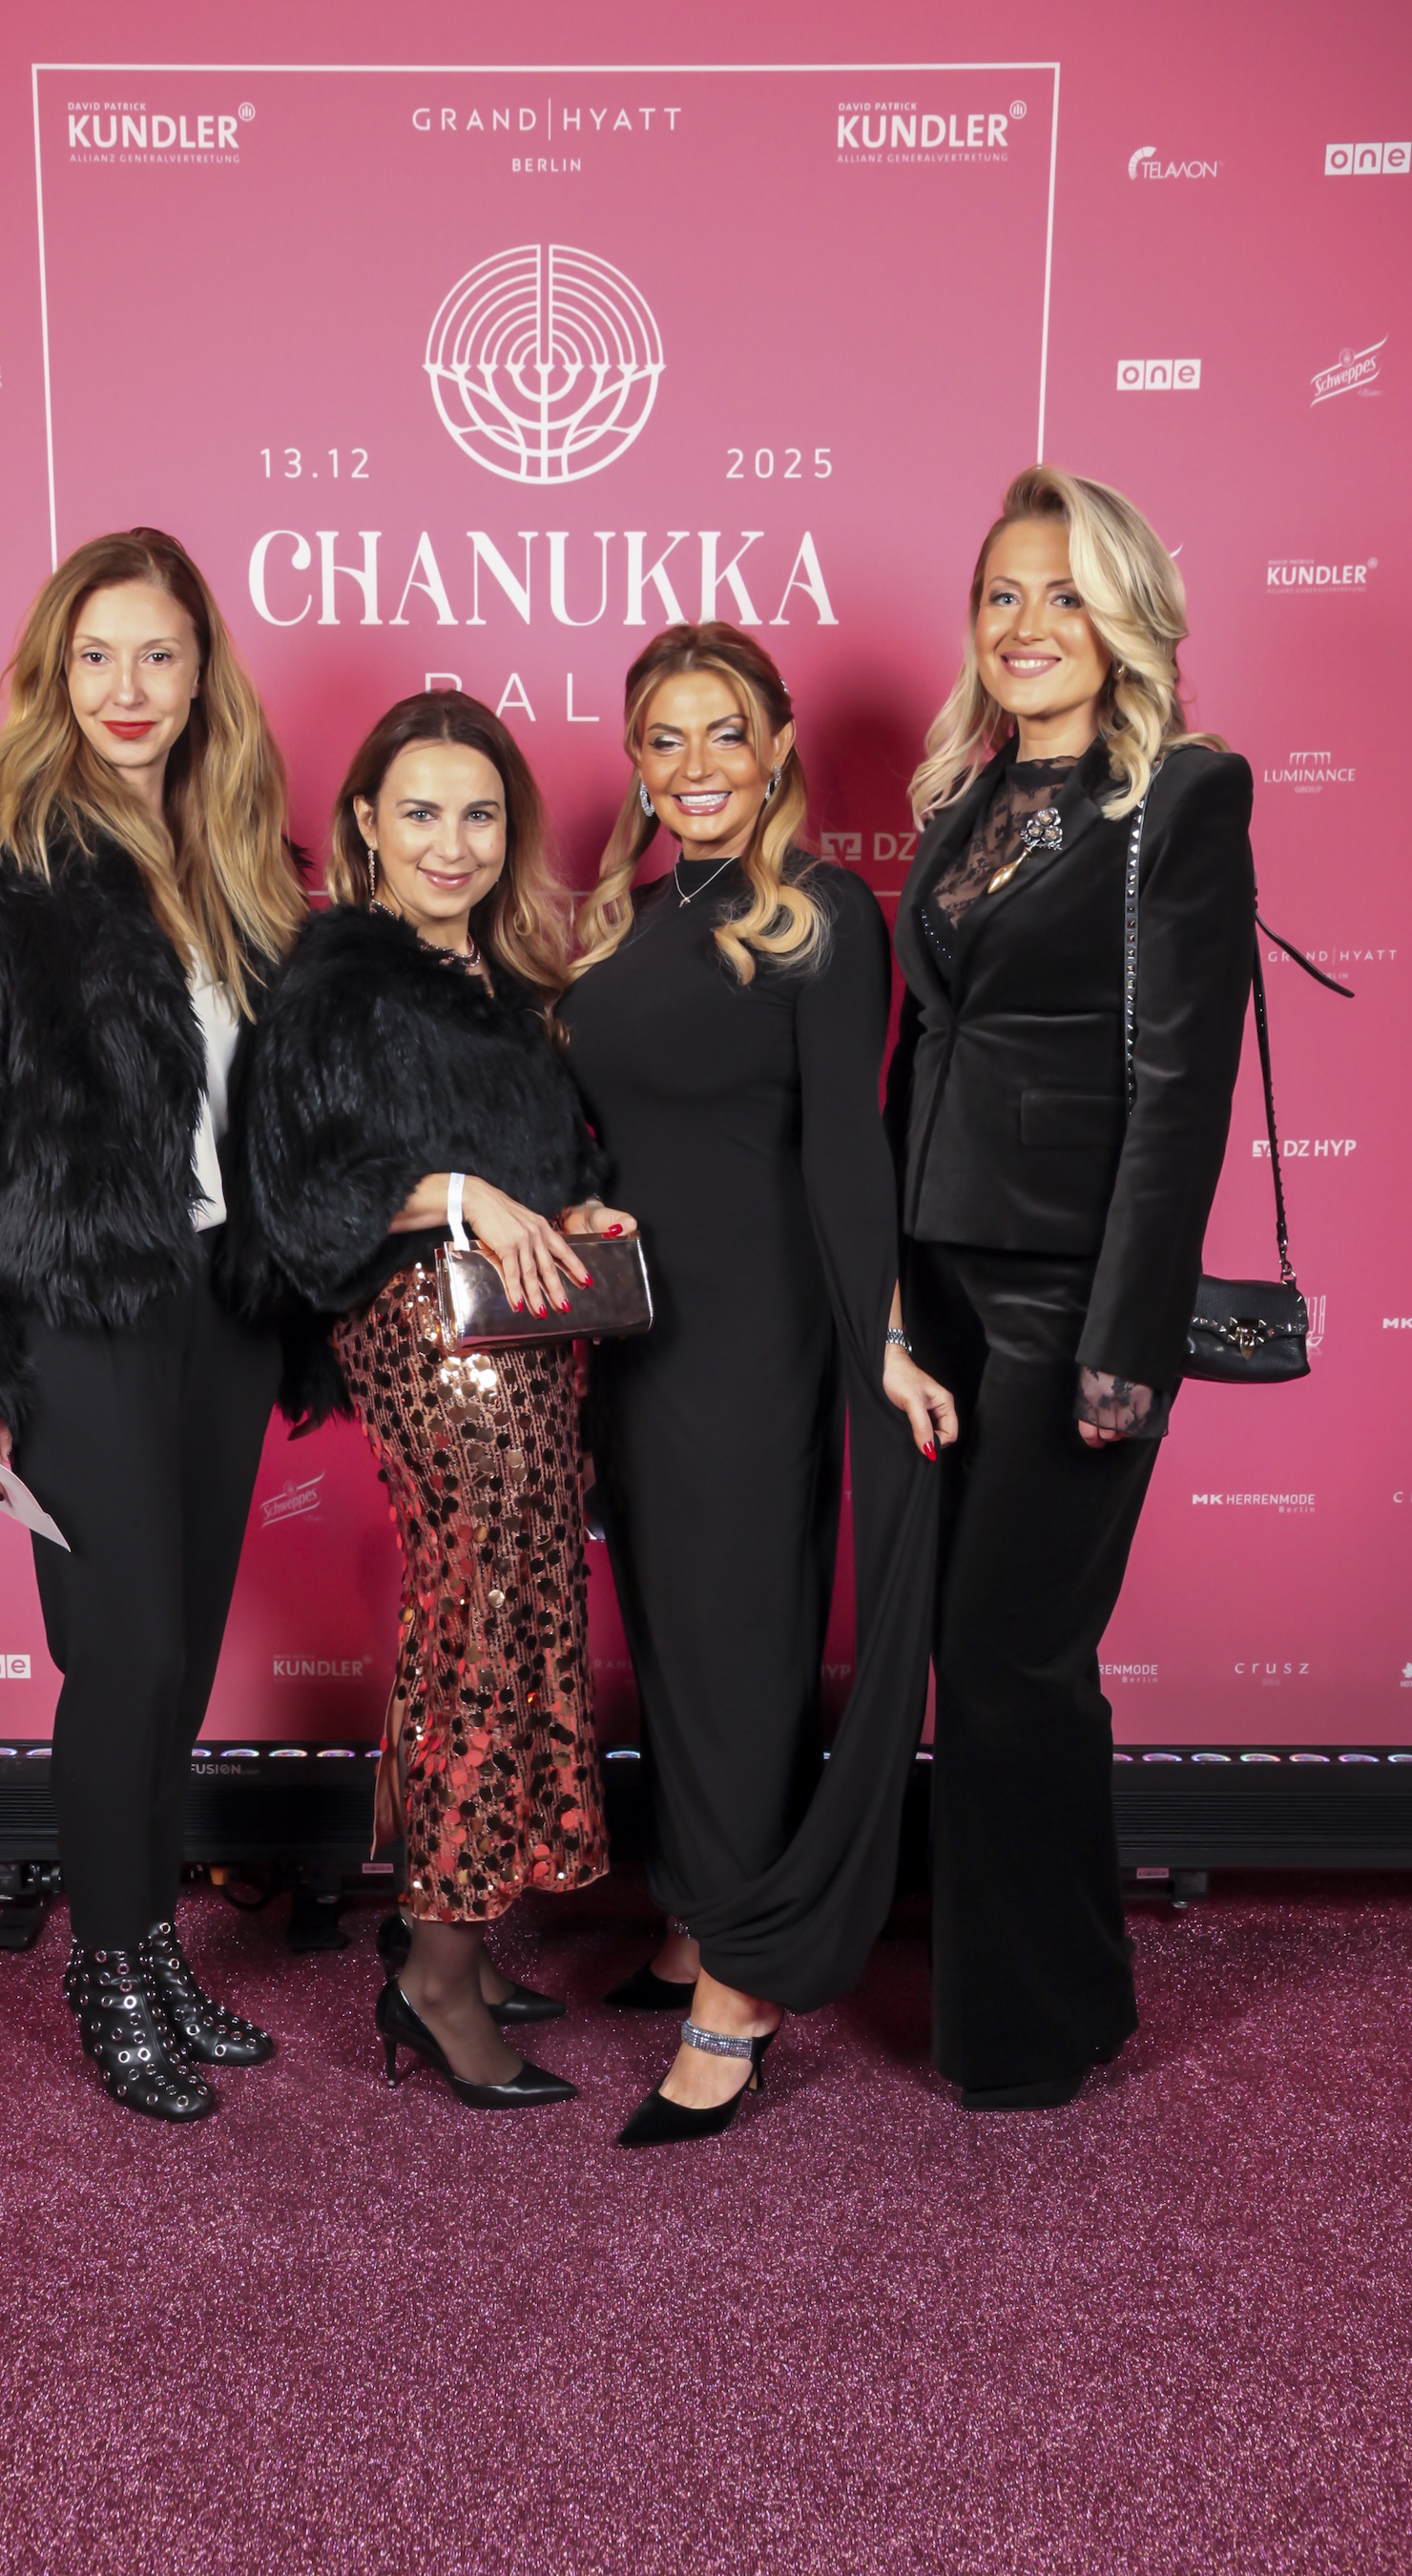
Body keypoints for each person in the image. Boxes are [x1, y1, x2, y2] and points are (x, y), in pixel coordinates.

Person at [0, 528, 306, 2123]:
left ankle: (153, 1944)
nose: (128, 688)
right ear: (56, 672)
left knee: (178, 1657)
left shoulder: (244, 857)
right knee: (122, 1653)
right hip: (76, 1304)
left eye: (159, 655)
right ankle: (109, 1971)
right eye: (98, 655)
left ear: (202, 677)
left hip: (222, 1301)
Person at [888, 466, 1256, 2109]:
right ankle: (1067, 1990)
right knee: (991, 1661)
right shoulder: (968, 798)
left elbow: (1183, 1091)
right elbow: (934, 1047)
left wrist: (1128, 1340)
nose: (1028, 625)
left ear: (1126, 619)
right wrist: (886, 1282)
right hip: (943, 1280)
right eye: (1003, 595)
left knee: (1006, 1656)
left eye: (1066, 594)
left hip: (1067, 1298)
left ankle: (1027, 2036)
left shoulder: (1182, 794)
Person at [559, 624, 952, 2148]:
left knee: (740, 1645)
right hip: (636, 1336)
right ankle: (698, 1910)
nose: (698, 765)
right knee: (672, 1636)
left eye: (727, 732)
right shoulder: (624, 920)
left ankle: (739, 1997)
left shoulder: (823, 914)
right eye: (666, 738)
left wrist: (887, 1337)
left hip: (756, 1338)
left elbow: (849, 1147)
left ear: (780, 745)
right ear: (637, 761)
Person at [251, 692, 627, 2110]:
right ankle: (438, 1982)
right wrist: (463, 1193)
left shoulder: (507, 983)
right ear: (365, 822)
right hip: (426, 1336)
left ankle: (446, 1932)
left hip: (527, 1341)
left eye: (478, 815)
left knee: (509, 1611)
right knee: (484, 1622)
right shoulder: (334, 983)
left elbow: (540, 1169)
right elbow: (301, 1201)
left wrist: (578, 1211)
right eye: (420, 813)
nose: (452, 844)